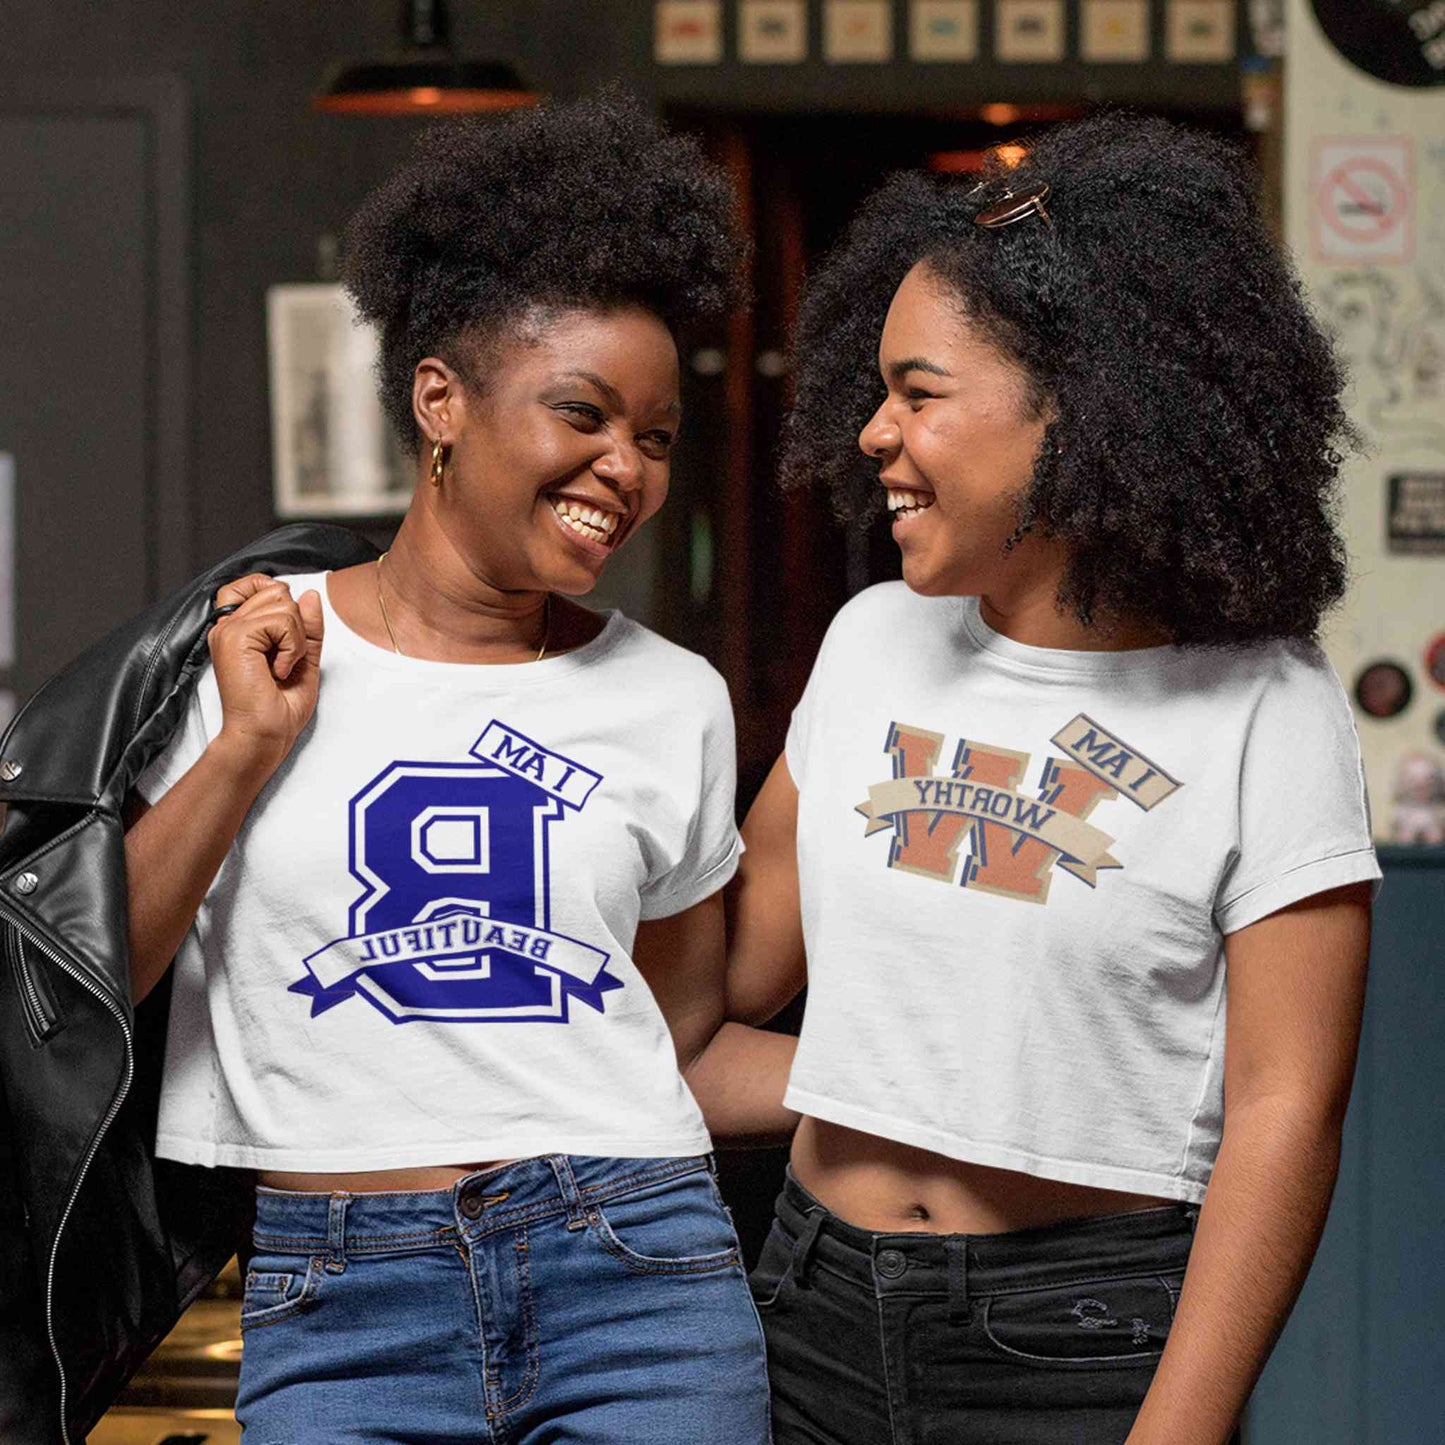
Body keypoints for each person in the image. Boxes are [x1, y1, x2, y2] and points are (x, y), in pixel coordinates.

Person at [721, 113, 1380, 1445]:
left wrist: (1177, 1429)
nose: (871, 434)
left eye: (917, 393)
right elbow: (710, 1001)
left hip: (1077, 1338)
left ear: (1076, 409)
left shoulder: (1266, 707)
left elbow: (1281, 1108)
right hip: (804, 1302)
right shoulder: (870, 643)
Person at [122, 93, 771, 1442]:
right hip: (335, 1286)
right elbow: (100, 975)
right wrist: (248, 747)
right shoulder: (246, 648)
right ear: (440, 400)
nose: (624, 468)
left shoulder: (673, 699)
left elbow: (680, 1029)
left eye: (654, 435)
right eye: (582, 413)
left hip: (636, 1270)